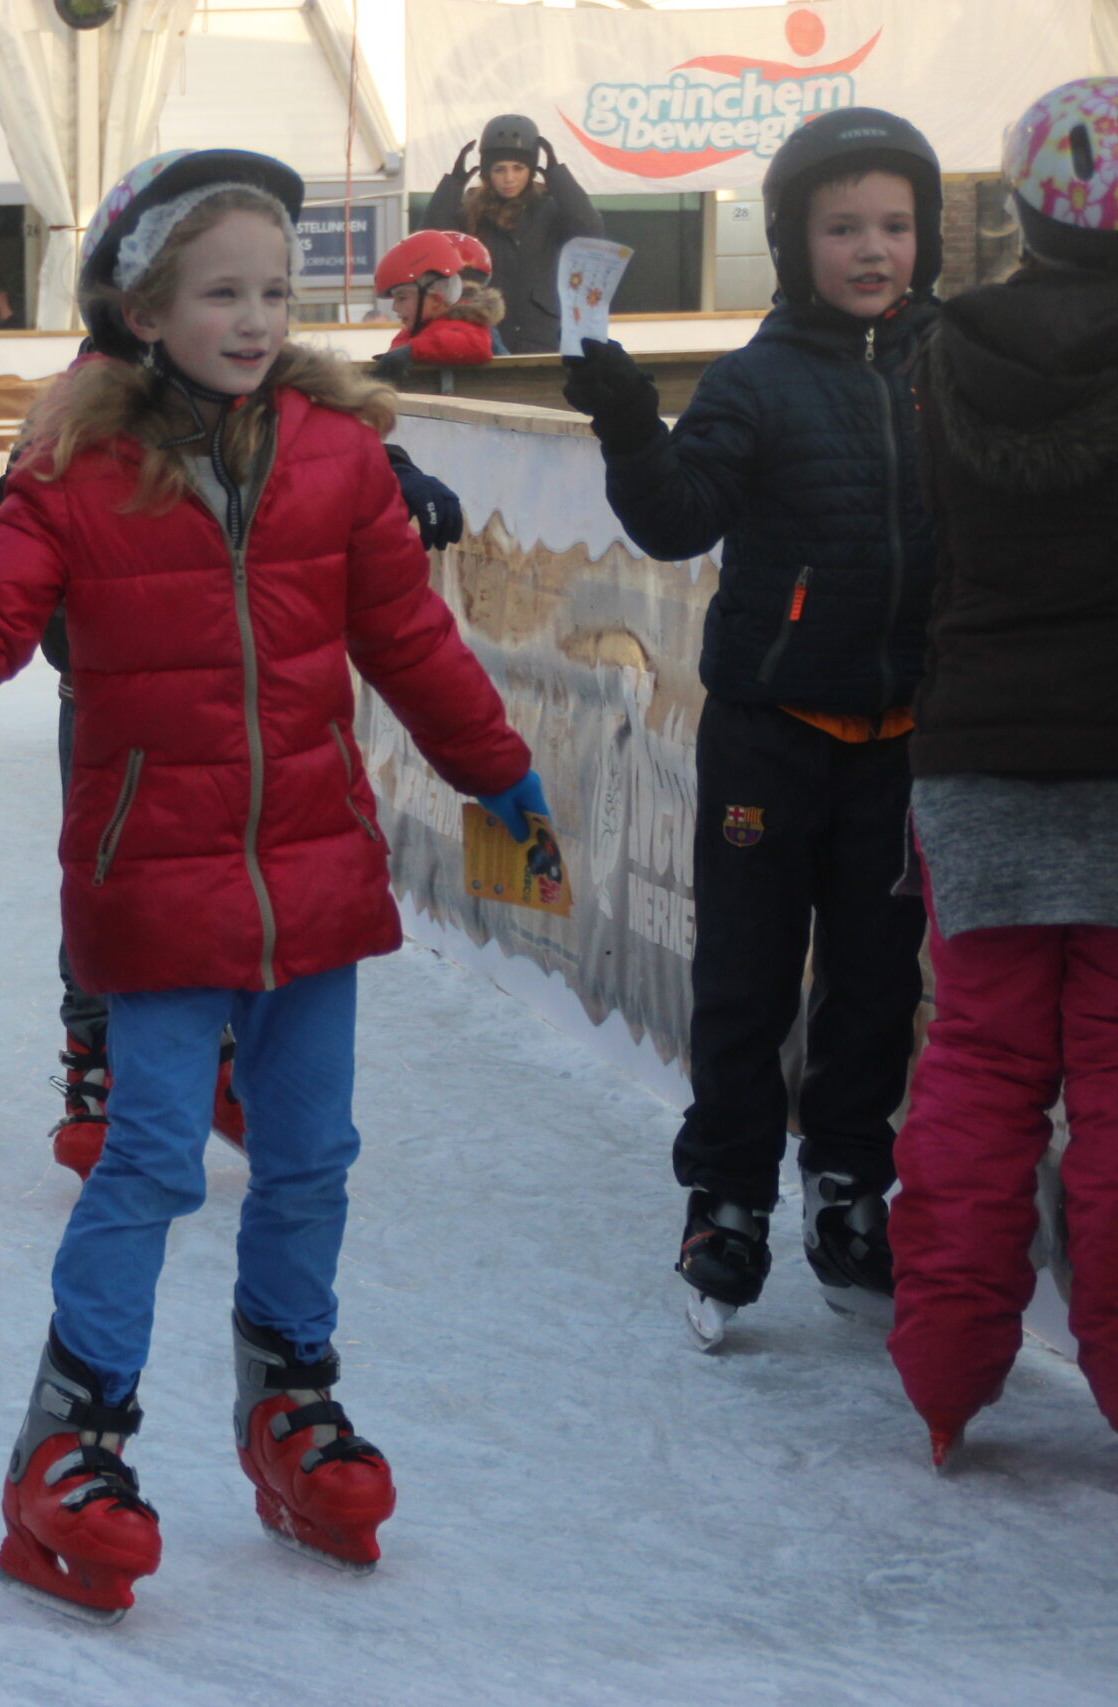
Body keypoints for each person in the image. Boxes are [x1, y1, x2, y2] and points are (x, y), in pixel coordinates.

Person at [0, 149, 543, 1615]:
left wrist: (495, 766)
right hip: (154, 876)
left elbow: (410, 641)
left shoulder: (334, 453)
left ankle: (291, 1399)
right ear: (143, 305)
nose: (254, 319)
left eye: (273, 287)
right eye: (219, 291)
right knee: (148, 1160)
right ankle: (70, 1435)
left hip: (311, 867)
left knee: (312, 1156)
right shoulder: (78, 467)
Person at [560, 108, 945, 1349]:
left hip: (902, 739)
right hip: (770, 732)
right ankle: (726, 1196)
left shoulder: (956, 371)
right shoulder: (757, 377)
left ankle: (846, 1186)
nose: (873, 249)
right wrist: (628, 422)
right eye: (843, 228)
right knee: (745, 980)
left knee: (878, 986)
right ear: (792, 241)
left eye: (894, 225)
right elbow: (675, 520)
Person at [886, 78, 1118, 1467]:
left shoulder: (941, 353)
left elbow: (931, 554)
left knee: (977, 1065)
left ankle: (947, 1366)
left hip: (974, 754)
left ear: (1023, 203)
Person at [419, 113, 603, 355]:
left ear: (531, 170)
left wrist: (557, 175)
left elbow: (589, 229)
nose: (509, 178)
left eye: (519, 168)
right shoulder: (469, 211)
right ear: (486, 172)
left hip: (543, 335)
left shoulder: (550, 208)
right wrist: (453, 184)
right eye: (499, 169)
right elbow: (430, 243)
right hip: (486, 334)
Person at [369, 228, 498, 378]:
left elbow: (476, 346)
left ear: (436, 300)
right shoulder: (414, 331)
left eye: (402, 298)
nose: (394, 307)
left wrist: (411, 351)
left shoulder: (463, 328)